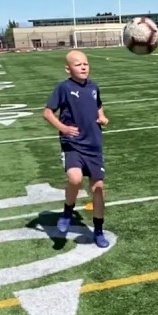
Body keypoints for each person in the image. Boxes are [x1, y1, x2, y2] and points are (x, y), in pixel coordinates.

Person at [43, 50, 111, 247]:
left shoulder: (93, 86)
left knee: (98, 188)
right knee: (75, 179)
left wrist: (102, 116)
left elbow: (98, 105)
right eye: (78, 64)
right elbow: (47, 113)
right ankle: (67, 211)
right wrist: (63, 128)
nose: (83, 67)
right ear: (68, 69)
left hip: (94, 145)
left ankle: (98, 230)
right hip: (73, 143)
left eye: (85, 64)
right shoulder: (64, 87)